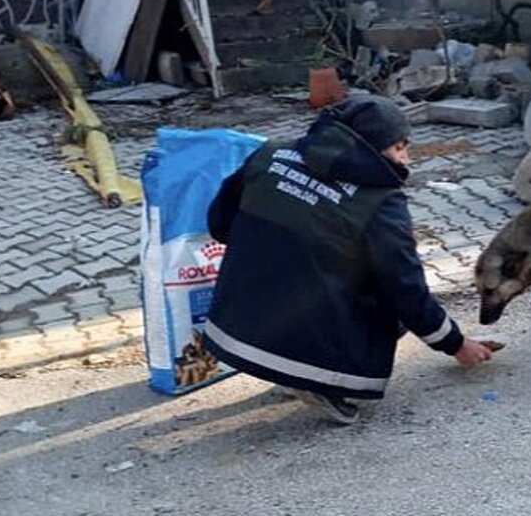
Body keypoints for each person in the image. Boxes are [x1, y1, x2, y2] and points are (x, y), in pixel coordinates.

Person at [204, 95, 493, 424]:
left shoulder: (270, 153)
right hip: (286, 329)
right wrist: (455, 344)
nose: (406, 159)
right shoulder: (380, 201)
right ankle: (319, 382)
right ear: (372, 147)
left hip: (232, 323)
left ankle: (286, 366)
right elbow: (406, 289)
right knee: (387, 298)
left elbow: (218, 222)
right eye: (400, 148)